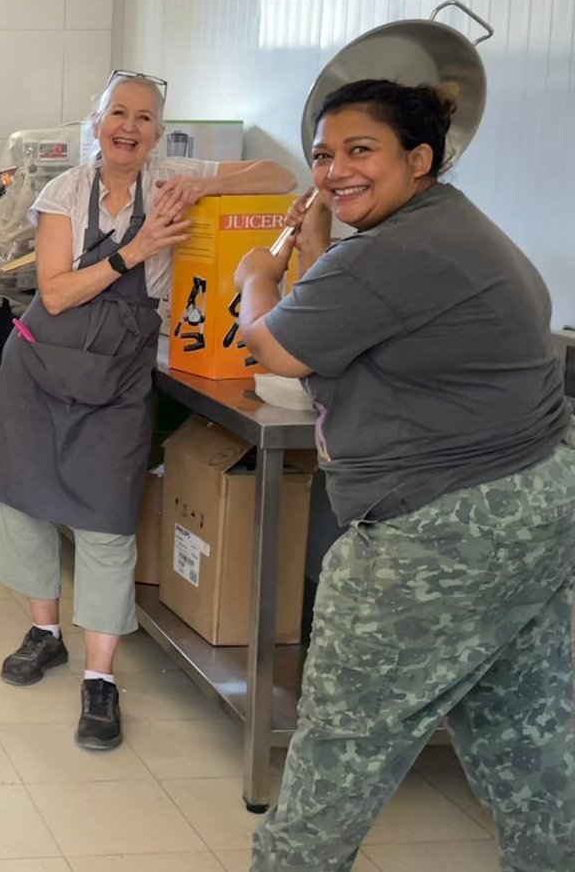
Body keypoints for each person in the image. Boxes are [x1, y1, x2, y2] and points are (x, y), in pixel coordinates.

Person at [235, 79, 575, 871]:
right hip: (535, 508)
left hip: (437, 533)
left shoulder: (395, 250)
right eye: (323, 155)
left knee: (340, 753)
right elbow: (351, 312)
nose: (334, 171)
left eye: (361, 150)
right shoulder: (447, 225)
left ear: (419, 159)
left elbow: (278, 344)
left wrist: (257, 274)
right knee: (528, 733)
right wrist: (318, 244)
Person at [0, 71, 295, 749]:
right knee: (28, 506)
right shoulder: (63, 192)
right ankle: (44, 633)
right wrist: (139, 248)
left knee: (107, 524)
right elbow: (59, 293)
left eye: (144, 117)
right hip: (41, 370)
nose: (129, 125)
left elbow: (281, 172)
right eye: (117, 112)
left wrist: (205, 185)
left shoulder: (173, 178)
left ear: (158, 132)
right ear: (96, 123)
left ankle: (101, 679)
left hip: (118, 383)